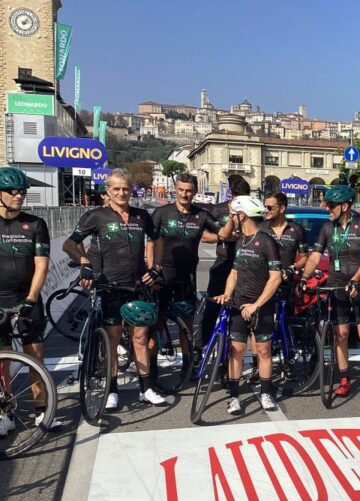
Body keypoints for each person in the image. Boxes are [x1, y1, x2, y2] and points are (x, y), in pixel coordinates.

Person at [63, 169, 166, 410]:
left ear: (131, 190)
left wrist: (156, 268)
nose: (121, 193)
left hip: (139, 286)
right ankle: (111, 389)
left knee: (140, 338)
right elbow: (70, 243)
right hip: (111, 287)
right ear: (107, 191)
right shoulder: (96, 216)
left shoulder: (142, 216)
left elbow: (157, 240)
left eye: (125, 188)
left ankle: (146, 388)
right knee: (112, 339)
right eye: (116, 189)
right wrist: (84, 263)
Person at [301, 185, 360, 403]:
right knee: (341, 335)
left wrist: (356, 279)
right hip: (337, 285)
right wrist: (303, 277)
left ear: (345, 206)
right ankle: (345, 379)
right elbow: (314, 257)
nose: (325, 207)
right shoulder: (328, 227)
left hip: (359, 284)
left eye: (330, 204)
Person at [0, 167, 62, 435]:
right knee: (2, 363)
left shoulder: (36, 224)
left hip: (27, 298)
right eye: (12, 191)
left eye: (22, 191)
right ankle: (6, 413)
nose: (18, 196)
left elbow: (42, 266)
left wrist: (31, 299)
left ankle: (41, 411)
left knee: (35, 357)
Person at [214, 197, 282, 414]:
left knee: (263, 351)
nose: (231, 218)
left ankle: (265, 392)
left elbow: (275, 278)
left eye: (234, 214)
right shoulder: (240, 241)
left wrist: (256, 305)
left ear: (242, 215)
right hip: (237, 305)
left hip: (261, 307)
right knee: (237, 351)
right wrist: (227, 294)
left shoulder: (267, 241)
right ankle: (234, 396)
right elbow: (234, 272)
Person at [151, 173, 219, 379]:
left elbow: (222, 232)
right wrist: (150, 268)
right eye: (181, 190)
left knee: (187, 323)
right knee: (156, 324)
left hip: (187, 277)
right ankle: (152, 370)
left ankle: (188, 367)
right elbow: (149, 242)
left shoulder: (201, 215)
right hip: (162, 275)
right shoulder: (162, 213)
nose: (184, 194)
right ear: (175, 190)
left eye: (188, 191)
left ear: (195, 192)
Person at [260, 190, 308, 394]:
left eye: (270, 207)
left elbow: (305, 256)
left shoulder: (296, 230)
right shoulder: (261, 229)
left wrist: (293, 268)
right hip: (264, 284)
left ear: (282, 208)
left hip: (287, 283)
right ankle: (258, 365)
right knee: (261, 325)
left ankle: (288, 361)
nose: (266, 211)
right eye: (265, 207)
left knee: (285, 323)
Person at [200, 176, 250, 348]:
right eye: (238, 197)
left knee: (240, 314)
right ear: (232, 195)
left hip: (246, 267)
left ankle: (235, 353)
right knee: (211, 309)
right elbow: (204, 237)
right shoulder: (218, 210)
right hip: (223, 263)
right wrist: (223, 237)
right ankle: (201, 348)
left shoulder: (253, 211)